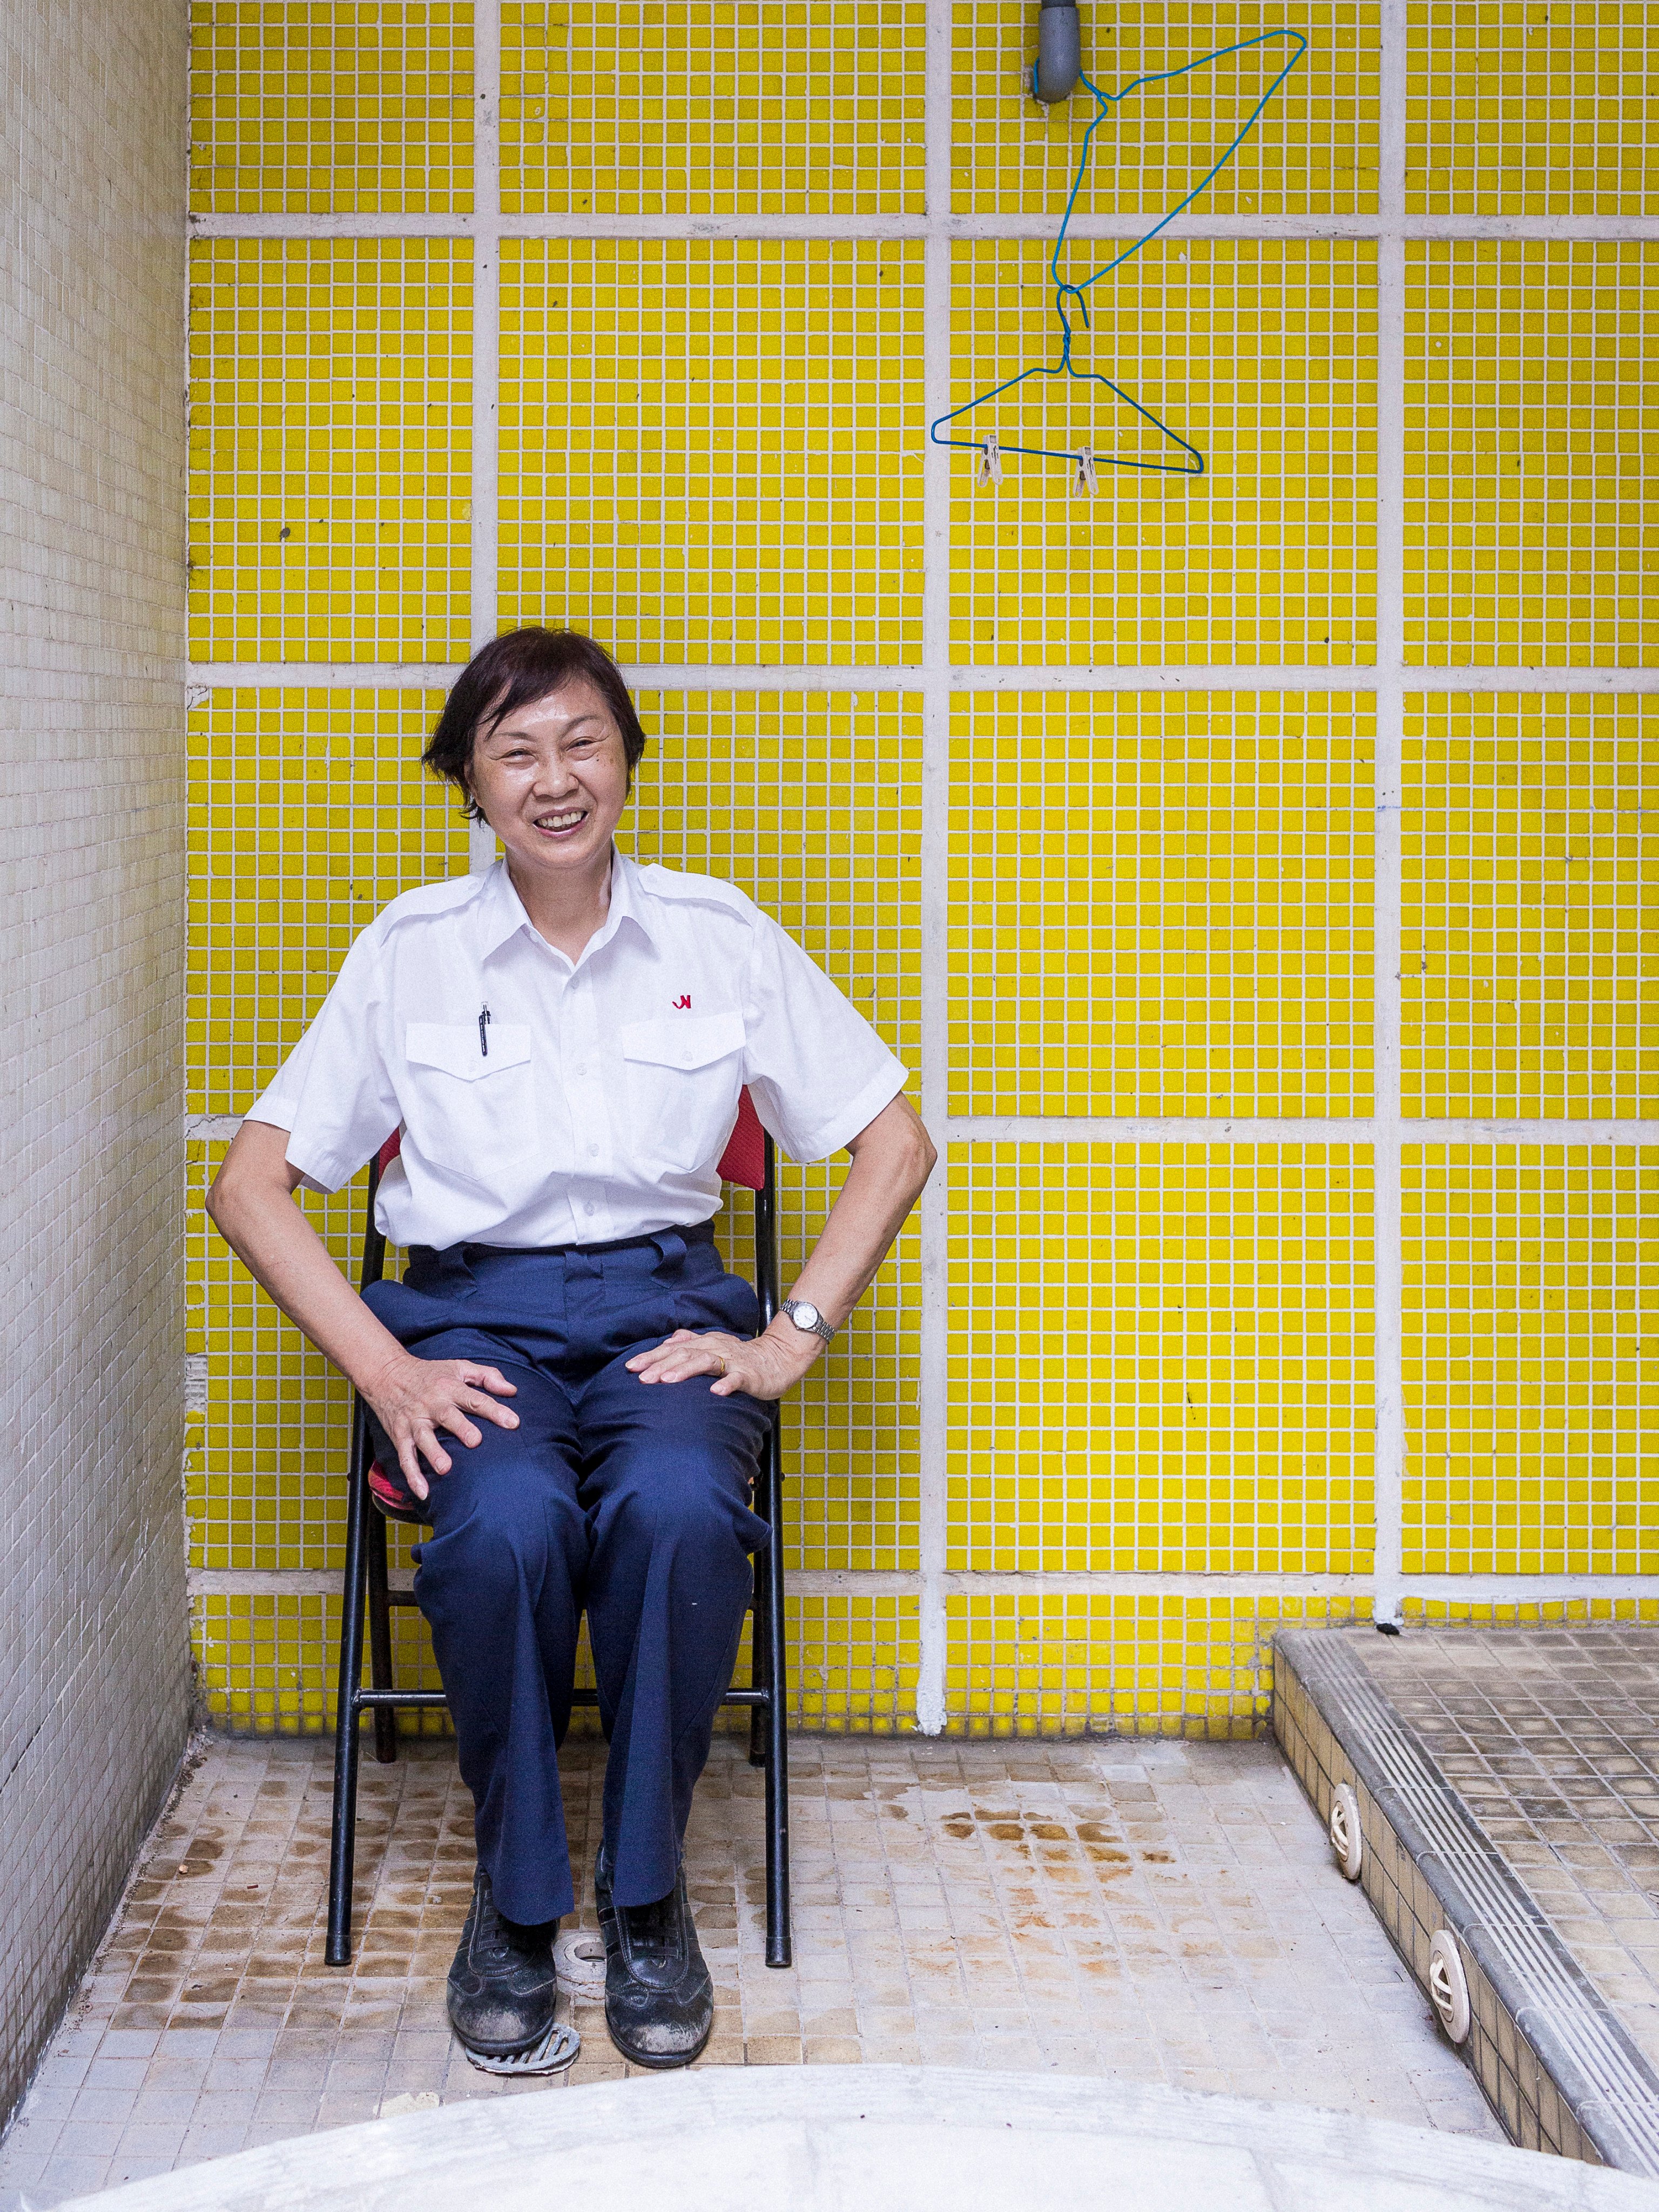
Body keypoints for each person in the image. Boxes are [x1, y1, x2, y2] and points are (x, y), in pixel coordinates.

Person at [206, 626, 935, 2072]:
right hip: (473, 1324)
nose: (556, 779)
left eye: (582, 742)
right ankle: (520, 1904)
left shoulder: (718, 936)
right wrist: (385, 1370)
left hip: (668, 1320)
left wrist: (789, 1338)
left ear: (627, 758)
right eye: (516, 751)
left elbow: (893, 1146)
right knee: (503, 1528)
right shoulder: (410, 955)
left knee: (674, 1513)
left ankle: (648, 1898)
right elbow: (251, 1185)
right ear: (470, 787)